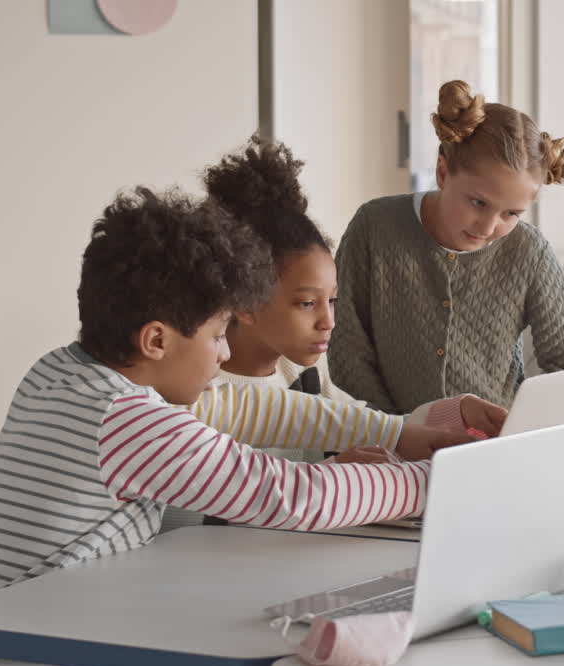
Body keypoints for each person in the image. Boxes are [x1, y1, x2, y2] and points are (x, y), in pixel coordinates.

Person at [0, 187, 468, 666]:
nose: (226, 352)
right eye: (219, 334)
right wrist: (437, 477)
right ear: (156, 341)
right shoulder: (123, 420)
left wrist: (396, 433)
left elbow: (241, 410)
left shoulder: (65, 373)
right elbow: (291, 495)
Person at [196, 135, 506, 461]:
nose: (328, 322)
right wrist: (333, 470)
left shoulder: (306, 371)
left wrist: (458, 411)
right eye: (306, 303)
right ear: (246, 303)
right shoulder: (197, 388)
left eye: (331, 301)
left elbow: (373, 425)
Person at [329, 79, 564, 414]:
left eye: (511, 213)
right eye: (478, 202)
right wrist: (397, 431)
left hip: (492, 450)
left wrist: (526, 433)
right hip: (386, 443)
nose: (488, 227)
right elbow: (346, 345)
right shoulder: (375, 226)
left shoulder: (528, 250)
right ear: (442, 172)